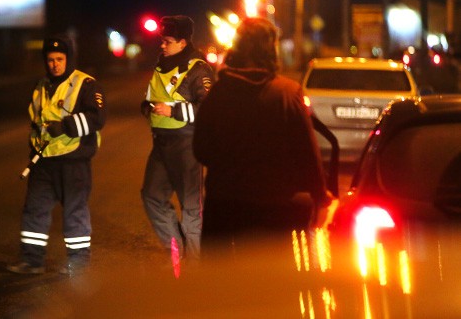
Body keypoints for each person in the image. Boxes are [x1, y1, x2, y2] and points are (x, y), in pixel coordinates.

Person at [192, 17, 334, 259]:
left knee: (219, 288)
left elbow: (201, 149)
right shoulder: (288, 93)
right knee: (273, 288)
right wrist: (321, 195)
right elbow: (307, 152)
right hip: (276, 208)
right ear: (271, 50)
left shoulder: (219, 93)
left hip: (225, 207)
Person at [7, 35, 106, 276]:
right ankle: (32, 260)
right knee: (34, 210)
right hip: (43, 161)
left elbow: (97, 119)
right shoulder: (41, 86)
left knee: (74, 213)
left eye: (60, 59)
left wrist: (65, 126)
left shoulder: (86, 84)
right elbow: (36, 122)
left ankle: (79, 265)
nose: (55, 64)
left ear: (69, 59)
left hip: (74, 161)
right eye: (50, 60)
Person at [140, 15, 214, 262]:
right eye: (162, 40)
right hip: (161, 143)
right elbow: (150, 97)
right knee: (151, 196)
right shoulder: (161, 65)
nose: (162, 45)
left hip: (187, 146)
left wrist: (173, 110)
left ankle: (196, 265)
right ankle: (178, 250)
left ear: (183, 43)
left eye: (168, 41)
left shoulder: (198, 70)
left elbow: (209, 110)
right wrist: (147, 108)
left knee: (192, 209)